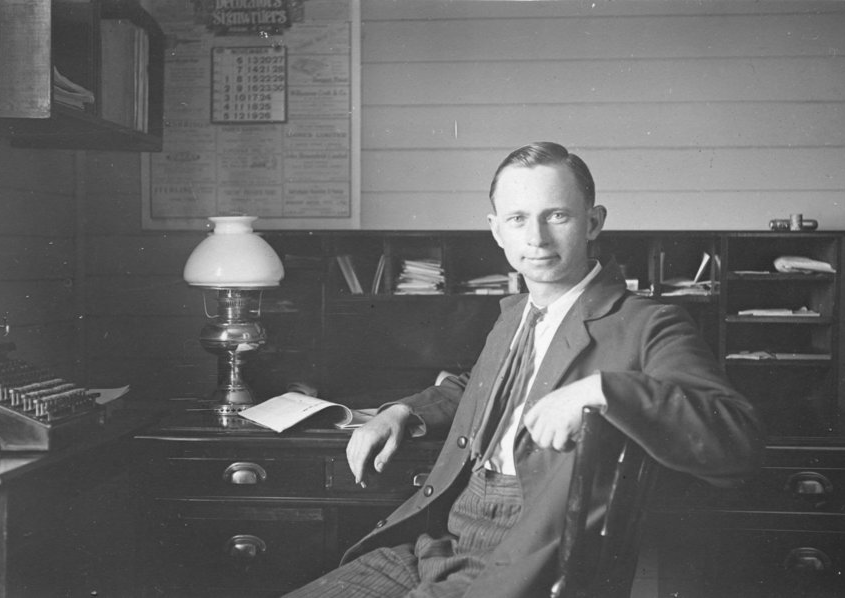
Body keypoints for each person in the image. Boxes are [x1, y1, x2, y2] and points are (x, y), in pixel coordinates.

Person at [285, 141, 763, 598]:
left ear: (593, 222)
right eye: (518, 219)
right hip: (439, 539)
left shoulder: (648, 323)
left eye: (557, 215)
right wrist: (403, 413)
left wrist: (602, 390)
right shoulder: (515, 314)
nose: (536, 239)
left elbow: (737, 439)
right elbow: (480, 385)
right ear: (497, 230)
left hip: (523, 556)